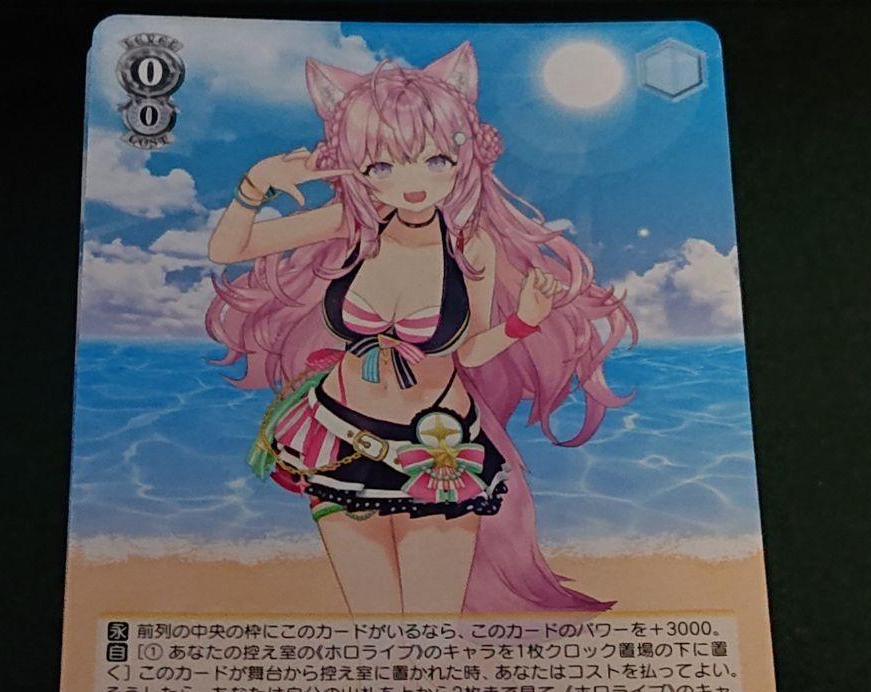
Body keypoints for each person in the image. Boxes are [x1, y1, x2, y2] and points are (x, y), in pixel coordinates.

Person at [207, 42, 635, 614]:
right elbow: (227, 248)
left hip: (438, 446)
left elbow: (470, 351)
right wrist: (254, 185)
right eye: (381, 165)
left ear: (465, 157)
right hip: (337, 435)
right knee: (374, 627)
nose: (413, 182)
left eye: (435, 160)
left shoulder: (470, 245)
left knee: (430, 626)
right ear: (352, 165)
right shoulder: (350, 225)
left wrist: (524, 321)